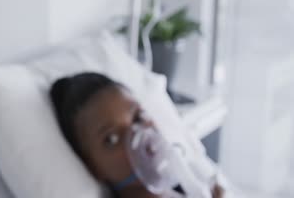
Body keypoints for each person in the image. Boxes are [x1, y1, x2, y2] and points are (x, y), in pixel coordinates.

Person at [49, 72, 224, 198]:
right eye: (112, 139)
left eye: (138, 117)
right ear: (93, 167)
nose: (139, 135)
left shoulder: (195, 187)